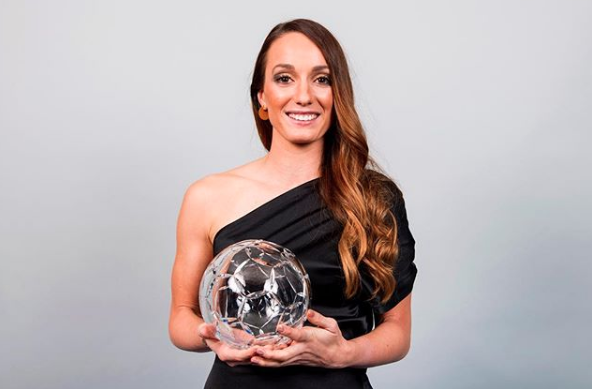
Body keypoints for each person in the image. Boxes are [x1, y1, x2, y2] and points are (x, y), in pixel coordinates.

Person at [169, 19, 417, 389]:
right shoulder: (207, 196)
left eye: (321, 79)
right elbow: (180, 319)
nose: (304, 95)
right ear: (262, 98)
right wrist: (213, 337)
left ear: (338, 95)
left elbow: (397, 333)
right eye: (284, 78)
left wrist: (342, 354)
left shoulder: (374, 197)